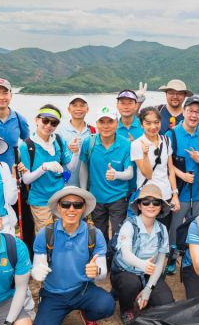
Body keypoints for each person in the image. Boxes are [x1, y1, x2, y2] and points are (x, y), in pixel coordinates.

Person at [31, 187, 114, 325]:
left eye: (77, 205)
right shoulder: (46, 233)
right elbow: (38, 263)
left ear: (83, 208)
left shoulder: (94, 233)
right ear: (58, 207)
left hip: (82, 289)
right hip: (53, 293)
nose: (71, 209)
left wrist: (97, 271)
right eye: (66, 204)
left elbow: (101, 271)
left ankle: (88, 316)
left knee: (107, 305)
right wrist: (37, 270)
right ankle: (55, 313)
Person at [110, 184, 174, 323]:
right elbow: (126, 254)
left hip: (148, 274)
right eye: (146, 201)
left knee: (167, 303)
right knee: (130, 283)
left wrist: (148, 289)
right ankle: (126, 309)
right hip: (126, 271)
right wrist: (142, 264)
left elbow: (160, 263)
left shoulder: (162, 230)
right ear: (139, 205)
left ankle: (144, 296)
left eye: (156, 202)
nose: (151, 205)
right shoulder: (129, 224)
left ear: (160, 207)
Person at [20, 105, 78, 232]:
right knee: (46, 237)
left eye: (54, 123)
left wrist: (76, 152)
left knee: (63, 234)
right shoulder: (27, 146)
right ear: (37, 120)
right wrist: (44, 167)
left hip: (60, 198)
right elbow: (26, 179)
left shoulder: (58, 140)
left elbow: (71, 167)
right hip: (40, 201)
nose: (48, 125)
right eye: (45, 120)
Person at [79, 106, 134, 240]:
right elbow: (84, 167)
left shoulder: (126, 144)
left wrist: (116, 175)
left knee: (118, 235)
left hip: (118, 198)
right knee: (99, 235)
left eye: (110, 121)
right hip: (96, 198)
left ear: (117, 123)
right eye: (101, 122)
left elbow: (130, 173)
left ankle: (115, 260)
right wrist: (83, 193)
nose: (106, 126)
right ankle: (102, 260)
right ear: (96, 124)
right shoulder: (89, 142)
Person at [166, 96, 199, 244]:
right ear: (183, 112)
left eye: (198, 112)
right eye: (190, 111)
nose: (194, 115)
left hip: (198, 193)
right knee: (175, 228)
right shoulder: (171, 134)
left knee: (197, 227)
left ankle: (191, 256)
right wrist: (182, 175)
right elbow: (166, 164)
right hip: (178, 192)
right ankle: (173, 256)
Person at [131, 106, 178, 213]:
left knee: (165, 229)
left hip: (166, 195)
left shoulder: (166, 140)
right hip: (147, 198)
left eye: (156, 122)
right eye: (148, 123)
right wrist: (145, 154)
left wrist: (175, 194)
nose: (153, 126)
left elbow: (170, 169)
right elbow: (148, 174)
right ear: (142, 124)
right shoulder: (137, 144)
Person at [58, 94, 94, 187]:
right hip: (65, 184)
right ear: (69, 109)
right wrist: (67, 149)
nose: (78, 108)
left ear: (87, 109)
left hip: (89, 184)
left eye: (82, 105)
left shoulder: (93, 131)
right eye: (74, 105)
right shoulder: (59, 131)